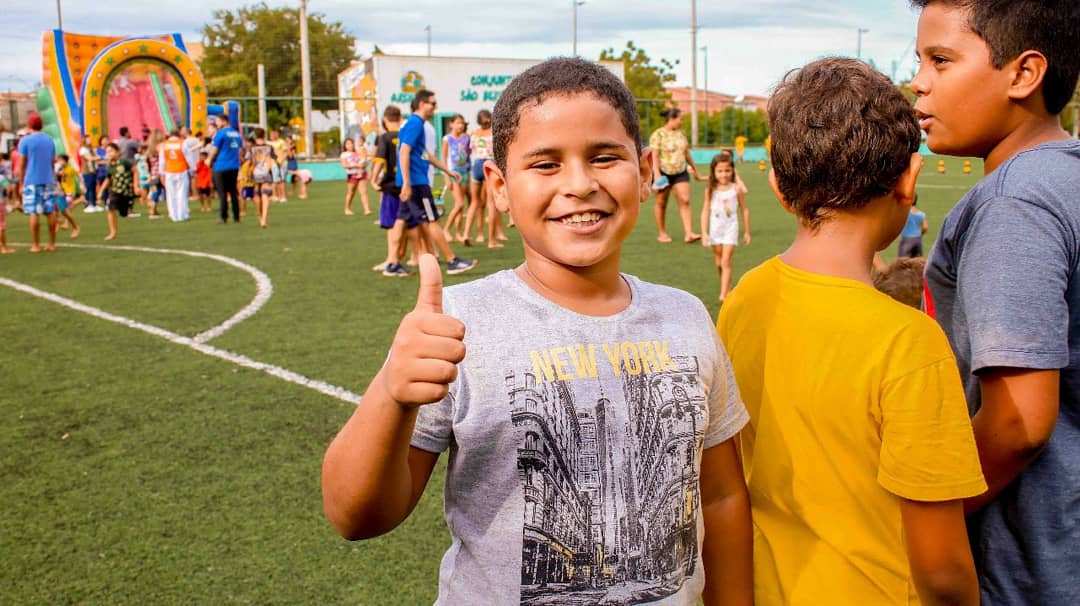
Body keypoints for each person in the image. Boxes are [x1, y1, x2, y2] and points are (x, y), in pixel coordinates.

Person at [322, 57, 753, 605]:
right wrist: (391, 395)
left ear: (645, 171)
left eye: (604, 157)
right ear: (500, 186)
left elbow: (719, 497)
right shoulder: (453, 324)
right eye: (545, 164)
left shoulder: (687, 317)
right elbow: (354, 516)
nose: (579, 184)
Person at [717, 57, 986, 605]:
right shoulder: (909, 341)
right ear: (909, 180)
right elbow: (942, 572)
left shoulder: (745, 296)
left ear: (777, 185)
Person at [911, 1, 1080, 603]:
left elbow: (1019, 421)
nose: (919, 82)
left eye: (942, 60)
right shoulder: (1064, 178)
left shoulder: (1015, 201)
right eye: (920, 60)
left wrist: (927, 523)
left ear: (1023, 74)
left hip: (1032, 564)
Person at [379, 90, 476, 278]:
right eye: (432, 103)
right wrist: (407, 183)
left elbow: (425, 154)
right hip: (416, 183)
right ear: (422, 104)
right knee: (432, 220)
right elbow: (404, 152)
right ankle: (452, 261)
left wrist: (446, 170)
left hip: (412, 182)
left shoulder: (416, 124)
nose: (435, 106)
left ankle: (392, 263)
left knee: (401, 220)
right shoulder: (415, 123)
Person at [369, 105, 418, 272]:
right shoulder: (408, 135)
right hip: (408, 184)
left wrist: (373, 179)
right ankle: (413, 256)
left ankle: (393, 259)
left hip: (391, 185)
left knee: (392, 224)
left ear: (385, 120)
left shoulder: (385, 138)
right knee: (409, 223)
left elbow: (379, 160)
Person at [700, 151, 750, 303]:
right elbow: (705, 210)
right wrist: (704, 232)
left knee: (726, 260)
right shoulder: (710, 190)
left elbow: (744, 209)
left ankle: (723, 294)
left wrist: (747, 231)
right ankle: (726, 284)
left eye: (727, 170)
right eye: (720, 171)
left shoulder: (736, 189)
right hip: (715, 230)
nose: (724, 174)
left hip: (731, 228)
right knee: (719, 261)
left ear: (733, 171)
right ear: (714, 172)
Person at [650, 107, 704, 243]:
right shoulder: (658, 135)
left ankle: (689, 233)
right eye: (680, 118)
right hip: (663, 173)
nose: (682, 121)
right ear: (672, 119)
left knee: (685, 200)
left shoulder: (681, 134)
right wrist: (656, 175)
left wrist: (695, 170)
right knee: (661, 203)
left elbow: (686, 153)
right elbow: (654, 156)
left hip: (680, 171)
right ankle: (662, 233)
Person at [17, 112, 59, 253]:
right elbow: (53, 162)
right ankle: (52, 243)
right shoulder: (49, 140)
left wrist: (21, 182)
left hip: (32, 180)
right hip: (48, 179)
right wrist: (53, 178)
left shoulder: (25, 141)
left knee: (34, 212)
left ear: (29, 125)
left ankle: (36, 245)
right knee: (50, 211)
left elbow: (22, 163)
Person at [463, 109, 493, 246]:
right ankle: (491, 241)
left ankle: (466, 233)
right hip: (489, 165)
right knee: (490, 204)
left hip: (476, 166)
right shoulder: (493, 132)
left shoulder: (474, 134)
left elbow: (470, 150)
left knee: (475, 202)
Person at [208, 114, 243, 223]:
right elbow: (241, 150)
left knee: (222, 192)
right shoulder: (237, 134)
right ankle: (236, 216)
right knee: (233, 191)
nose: (216, 124)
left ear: (224, 121)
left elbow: (214, 149)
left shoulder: (221, 133)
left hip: (221, 166)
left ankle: (223, 217)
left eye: (218, 121)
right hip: (234, 165)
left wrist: (209, 159)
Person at [97, 142, 136, 241]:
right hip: (114, 191)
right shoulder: (110, 166)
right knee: (110, 209)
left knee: (123, 213)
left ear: (118, 152)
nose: (109, 154)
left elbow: (135, 172)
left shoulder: (124, 162)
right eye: (107, 152)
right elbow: (108, 179)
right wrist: (101, 191)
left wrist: (136, 186)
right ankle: (113, 232)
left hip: (126, 192)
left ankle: (125, 210)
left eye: (111, 151)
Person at [440, 114, 470, 242]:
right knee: (459, 203)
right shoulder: (447, 139)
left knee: (462, 206)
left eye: (462, 123)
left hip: (464, 173)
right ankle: (446, 229)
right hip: (453, 173)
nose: (460, 126)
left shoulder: (466, 138)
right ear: (451, 124)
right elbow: (444, 158)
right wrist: (447, 176)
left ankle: (458, 233)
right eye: (458, 123)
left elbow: (468, 154)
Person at [159, 129, 190, 222]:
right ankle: (182, 215)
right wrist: (192, 169)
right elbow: (189, 157)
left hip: (169, 171)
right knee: (182, 193)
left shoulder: (164, 145)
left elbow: (162, 161)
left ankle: (173, 215)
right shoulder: (182, 143)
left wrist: (162, 173)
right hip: (181, 170)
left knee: (171, 194)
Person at [249, 128, 275, 228]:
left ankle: (260, 216)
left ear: (255, 136)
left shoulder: (252, 148)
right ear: (264, 135)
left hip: (256, 173)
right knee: (265, 195)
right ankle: (264, 219)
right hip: (266, 172)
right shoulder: (269, 147)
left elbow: (251, 162)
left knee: (257, 196)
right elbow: (272, 160)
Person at [53, 154, 81, 237]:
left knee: (65, 209)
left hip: (65, 190)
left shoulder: (67, 168)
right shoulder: (59, 167)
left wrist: (82, 185)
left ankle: (73, 225)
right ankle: (59, 223)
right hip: (59, 189)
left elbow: (77, 174)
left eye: (61, 160)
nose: (59, 161)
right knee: (54, 209)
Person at [340, 138, 368, 216]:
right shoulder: (344, 154)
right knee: (351, 192)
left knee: (363, 192)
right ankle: (347, 208)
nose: (350, 145)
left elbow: (363, 162)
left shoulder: (358, 152)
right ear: (345, 146)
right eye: (348, 144)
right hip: (352, 175)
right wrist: (355, 165)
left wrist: (364, 164)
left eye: (351, 143)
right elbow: (344, 165)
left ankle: (366, 209)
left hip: (361, 174)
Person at [78, 135, 102, 212]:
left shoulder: (91, 149)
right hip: (87, 172)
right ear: (84, 140)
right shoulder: (83, 149)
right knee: (88, 188)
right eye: (88, 139)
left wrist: (99, 158)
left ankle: (94, 205)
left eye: (90, 139)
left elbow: (96, 157)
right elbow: (89, 158)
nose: (90, 140)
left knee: (93, 188)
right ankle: (86, 205)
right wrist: (99, 157)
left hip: (93, 171)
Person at [268, 129, 289, 202]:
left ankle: (283, 196)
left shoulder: (281, 142)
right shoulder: (269, 143)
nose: (272, 136)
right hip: (274, 164)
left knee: (282, 180)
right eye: (271, 134)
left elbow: (286, 153)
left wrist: (281, 161)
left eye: (273, 134)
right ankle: (276, 195)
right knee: (275, 181)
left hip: (282, 164)